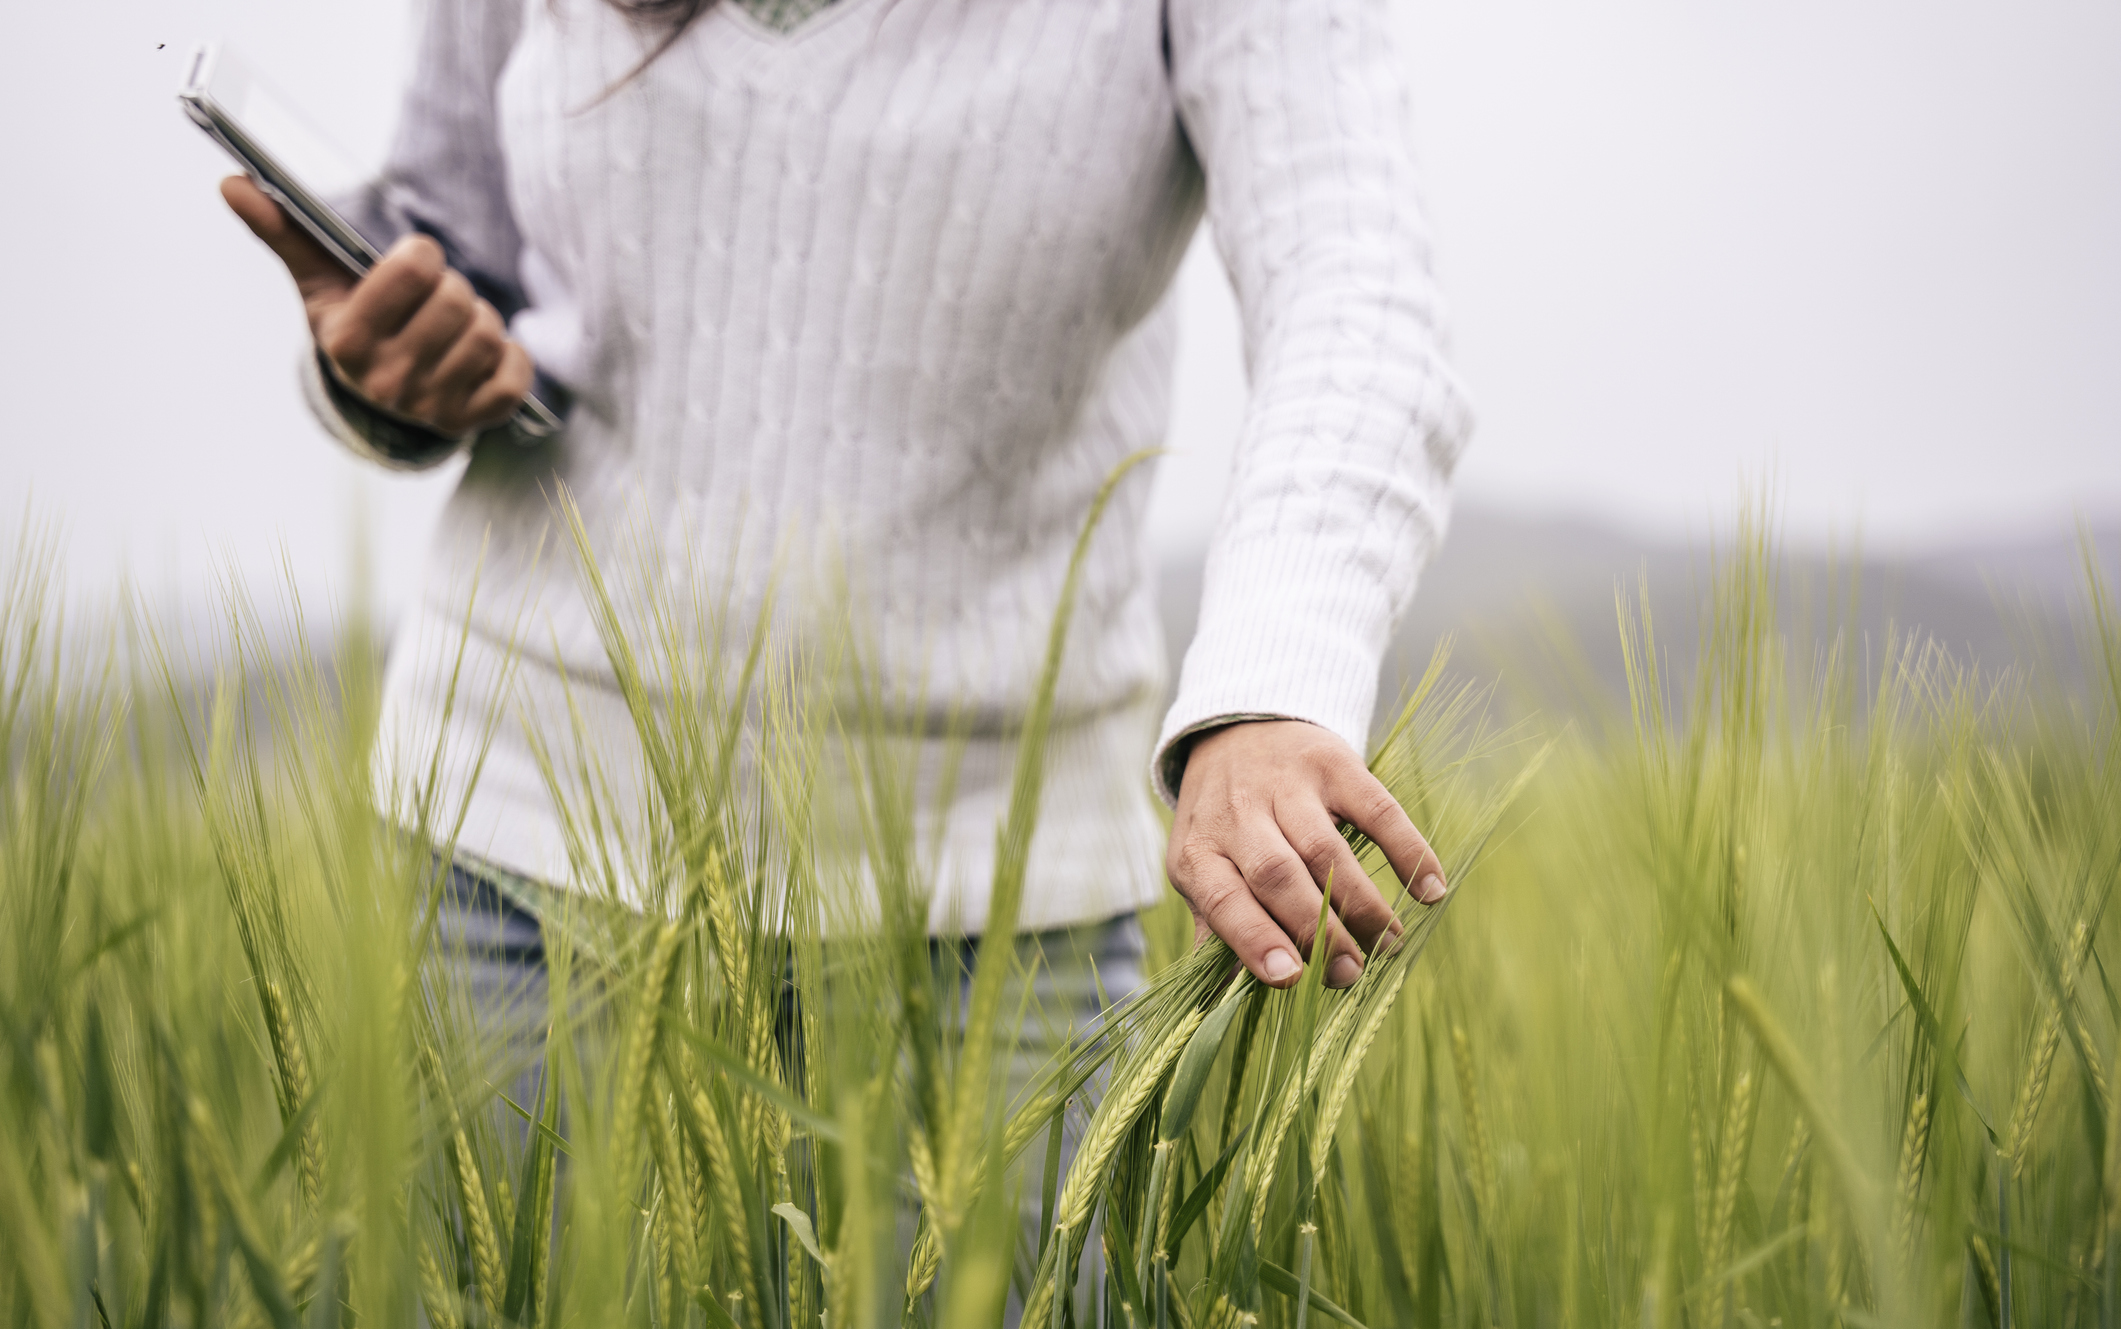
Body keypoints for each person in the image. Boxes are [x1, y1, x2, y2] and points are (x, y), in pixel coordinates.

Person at [219, 0, 1473, 1024]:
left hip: (998, 913)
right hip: (505, 865)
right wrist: (387, 374)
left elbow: (1353, 283)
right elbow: (456, 241)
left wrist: (1267, 685)